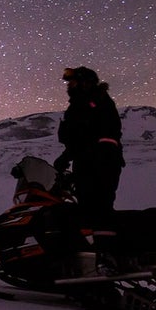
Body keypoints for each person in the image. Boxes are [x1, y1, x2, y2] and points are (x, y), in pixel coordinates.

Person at [53, 66, 125, 232]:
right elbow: (80, 137)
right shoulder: (80, 103)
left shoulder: (96, 101)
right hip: (87, 160)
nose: (68, 85)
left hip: (100, 162)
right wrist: (68, 156)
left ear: (84, 83)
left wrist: (77, 155)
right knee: (86, 208)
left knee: (98, 209)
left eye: (72, 82)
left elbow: (91, 133)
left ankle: (104, 250)